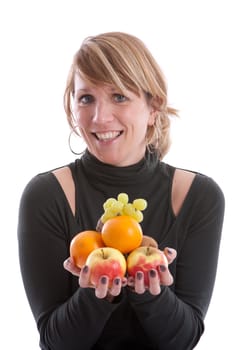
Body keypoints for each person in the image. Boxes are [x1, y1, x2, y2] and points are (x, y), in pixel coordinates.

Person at [17, 32, 225, 350]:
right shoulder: (46, 196)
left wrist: (152, 295)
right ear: (72, 107)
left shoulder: (198, 196)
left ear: (153, 107)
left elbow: (184, 341)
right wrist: (97, 295)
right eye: (86, 98)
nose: (100, 118)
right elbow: (54, 342)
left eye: (119, 97)